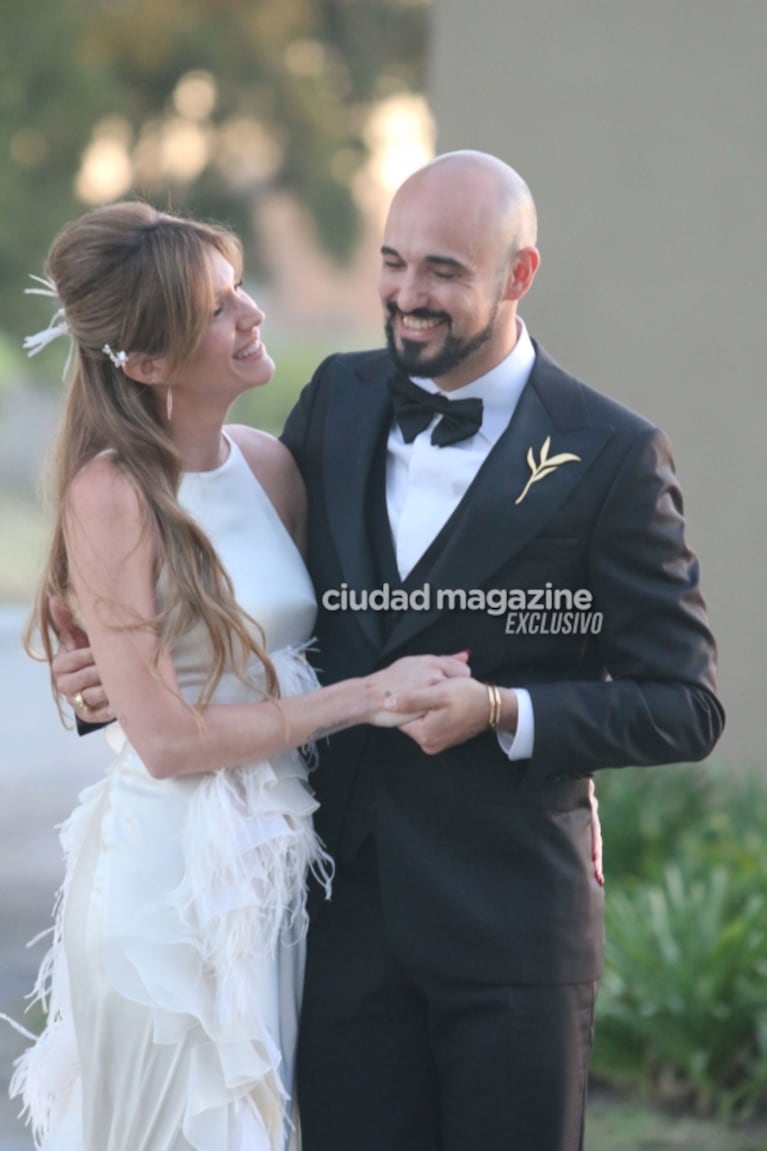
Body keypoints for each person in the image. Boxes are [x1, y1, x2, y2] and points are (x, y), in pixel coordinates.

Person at [53, 152, 725, 1151]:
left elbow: (684, 702)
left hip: (506, 922)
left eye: (444, 270)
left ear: (516, 276)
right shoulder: (336, 399)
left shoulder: (611, 455)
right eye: (392, 261)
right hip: (328, 917)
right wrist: (104, 687)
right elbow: (234, 595)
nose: (408, 294)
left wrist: (509, 711)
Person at [9, 200, 471, 1151]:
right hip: (167, 888)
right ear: (144, 362)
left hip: (280, 867)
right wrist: (371, 695)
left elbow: (305, 649)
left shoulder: (270, 468)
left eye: (238, 287)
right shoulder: (112, 496)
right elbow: (170, 740)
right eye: (217, 308)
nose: (251, 314)